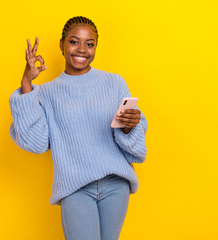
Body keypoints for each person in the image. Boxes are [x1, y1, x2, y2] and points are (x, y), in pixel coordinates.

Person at [9, 16, 148, 240]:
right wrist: (27, 83)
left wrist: (130, 126)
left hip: (115, 184)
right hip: (75, 187)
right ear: (61, 45)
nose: (82, 49)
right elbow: (35, 142)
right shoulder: (46, 93)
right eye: (74, 41)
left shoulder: (114, 83)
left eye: (89, 44)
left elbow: (135, 134)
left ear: (95, 48)